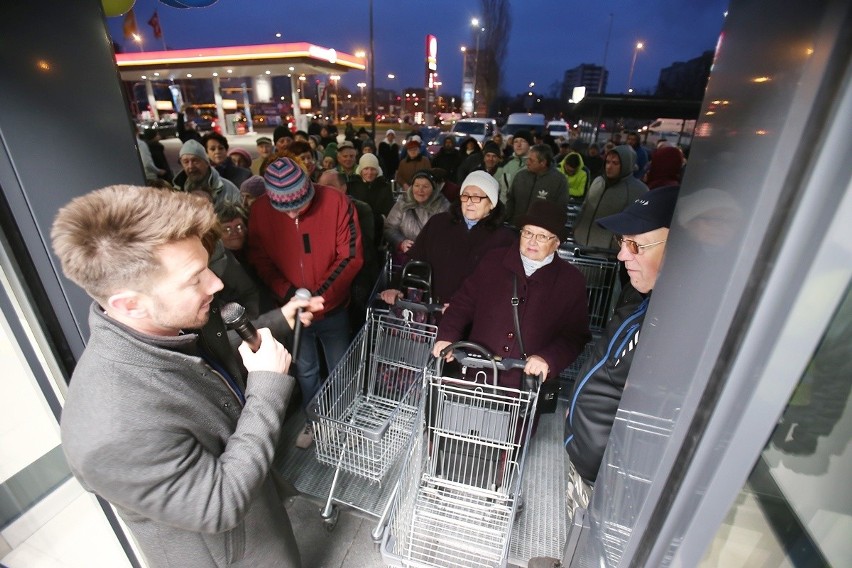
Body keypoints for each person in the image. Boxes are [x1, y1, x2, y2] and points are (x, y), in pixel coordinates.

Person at [52, 185, 315, 568]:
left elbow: (219, 352)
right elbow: (219, 504)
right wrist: (268, 389)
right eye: (195, 278)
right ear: (130, 303)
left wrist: (280, 319)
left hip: (262, 527)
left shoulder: (164, 326)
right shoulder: (109, 432)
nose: (216, 283)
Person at [563, 184, 679, 511]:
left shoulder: (678, 328)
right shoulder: (639, 297)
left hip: (611, 488)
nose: (621, 255)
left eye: (636, 245)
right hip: (586, 464)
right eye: (622, 242)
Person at [248, 158, 363, 448]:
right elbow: (260, 259)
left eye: (298, 208)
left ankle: (344, 419)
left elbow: (349, 257)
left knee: (340, 368)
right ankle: (315, 422)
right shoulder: (260, 211)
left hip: (333, 307)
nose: (291, 216)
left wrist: (319, 297)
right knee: (305, 369)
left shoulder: (337, 202)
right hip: (292, 312)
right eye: (283, 210)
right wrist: (289, 295)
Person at [432, 199, 591, 392]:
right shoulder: (493, 260)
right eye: (528, 233)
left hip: (525, 390)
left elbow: (575, 336)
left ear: (557, 243)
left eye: (542, 236)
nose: (532, 241)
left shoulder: (571, 281)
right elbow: (462, 304)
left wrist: (548, 359)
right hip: (476, 376)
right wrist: (447, 336)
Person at [380, 171, 516, 306]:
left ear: (492, 203)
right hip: (435, 309)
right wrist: (396, 287)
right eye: (465, 196)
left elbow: (502, 285)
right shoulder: (439, 223)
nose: (469, 202)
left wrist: (463, 309)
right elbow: (415, 259)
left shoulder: (504, 238)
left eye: (476, 197)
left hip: (476, 316)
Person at [573, 145, 649, 249]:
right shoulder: (598, 181)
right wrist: (576, 229)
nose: (609, 166)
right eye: (608, 162)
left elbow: (635, 225)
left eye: (615, 163)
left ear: (626, 165)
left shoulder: (638, 190)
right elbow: (585, 207)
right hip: (580, 244)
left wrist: (615, 246)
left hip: (607, 253)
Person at [384, 169, 450, 263]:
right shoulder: (403, 203)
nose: (420, 190)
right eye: (417, 185)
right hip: (405, 257)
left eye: (425, 186)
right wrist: (401, 242)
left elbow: (447, 234)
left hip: (433, 258)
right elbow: (389, 227)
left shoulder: (443, 206)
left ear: (434, 188)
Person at [505, 144, 569, 228]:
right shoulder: (520, 176)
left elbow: (560, 209)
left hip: (539, 232)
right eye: (528, 159)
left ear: (543, 163)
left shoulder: (559, 181)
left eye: (531, 160)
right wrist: (507, 219)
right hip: (515, 227)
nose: (527, 163)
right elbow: (511, 200)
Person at [173, 139, 243, 212]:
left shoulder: (228, 189)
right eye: (186, 162)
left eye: (195, 161)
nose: (191, 166)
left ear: (207, 163)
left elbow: (241, 217)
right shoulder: (177, 192)